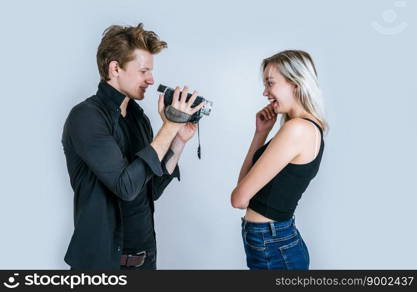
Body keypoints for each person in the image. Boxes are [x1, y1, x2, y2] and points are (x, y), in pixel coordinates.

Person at [62, 23, 205, 269]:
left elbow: (150, 190)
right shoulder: (86, 116)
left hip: (145, 261)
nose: (151, 80)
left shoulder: (139, 118)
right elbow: (125, 187)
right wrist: (169, 127)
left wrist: (178, 140)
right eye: (143, 71)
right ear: (115, 68)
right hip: (102, 266)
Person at [231, 50, 327, 270]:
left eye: (270, 83)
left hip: (273, 247)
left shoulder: (298, 129)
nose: (265, 92)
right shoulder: (303, 127)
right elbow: (243, 187)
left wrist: (241, 195)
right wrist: (260, 134)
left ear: (295, 83)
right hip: (275, 243)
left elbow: (239, 199)